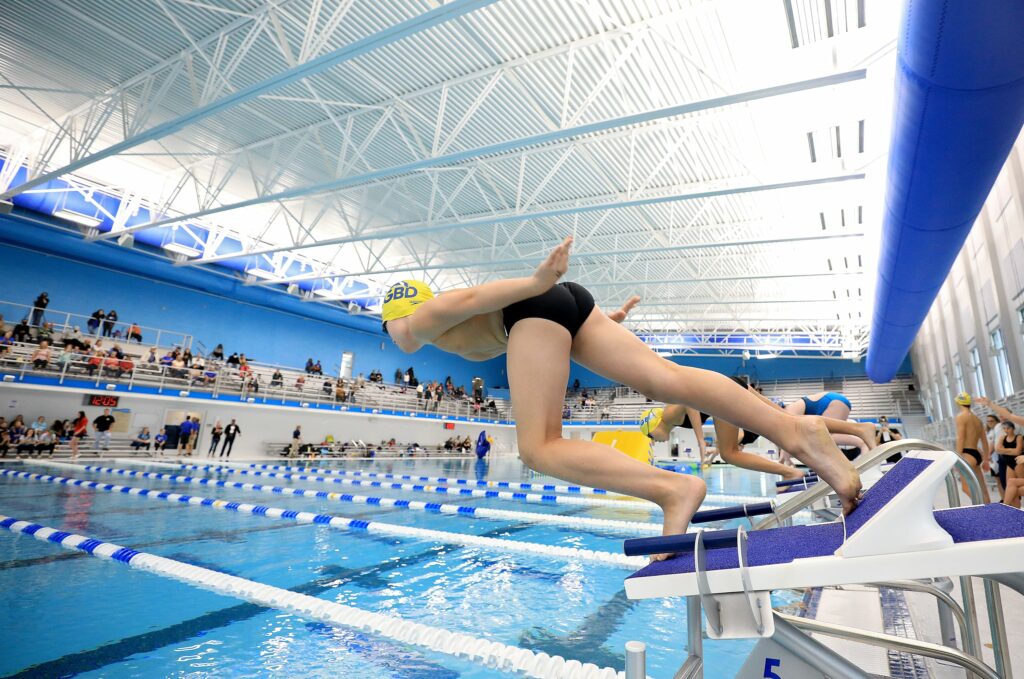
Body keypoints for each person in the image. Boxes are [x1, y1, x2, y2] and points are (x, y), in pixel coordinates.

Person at [382, 242, 862, 558]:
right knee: (665, 379)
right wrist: (596, 319)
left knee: (540, 447)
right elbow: (510, 317)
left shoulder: (415, 322)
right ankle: (794, 430)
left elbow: (468, 299)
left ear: (391, 316)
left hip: (538, 305)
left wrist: (535, 283)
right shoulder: (439, 325)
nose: (392, 336)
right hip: (566, 307)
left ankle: (671, 490)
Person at [953, 393, 992, 503]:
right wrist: (986, 460)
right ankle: (990, 512)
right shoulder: (977, 419)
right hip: (976, 453)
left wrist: (957, 457)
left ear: (959, 402)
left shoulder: (961, 416)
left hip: (967, 454)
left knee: (966, 488)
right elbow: (985, 442)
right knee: (982, 488)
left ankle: (981, 507)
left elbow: (960, 438)